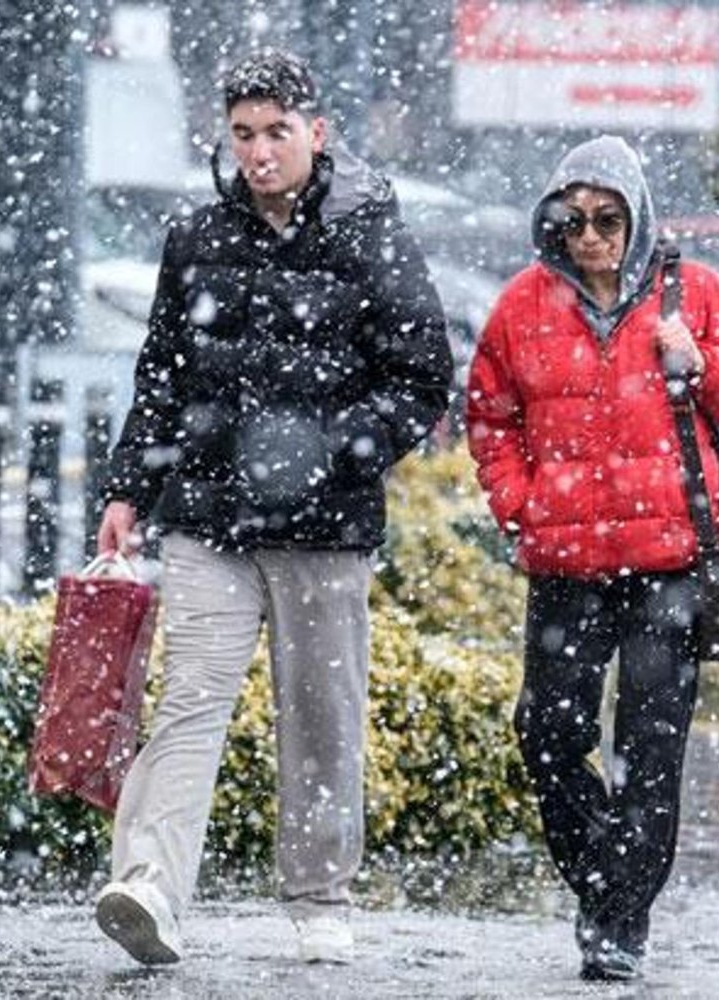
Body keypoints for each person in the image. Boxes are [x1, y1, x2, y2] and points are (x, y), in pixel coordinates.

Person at [92, 50, 451, 966]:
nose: (258, 152)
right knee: (188, 705)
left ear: (316, 133)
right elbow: (161, 374)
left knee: (321, 712)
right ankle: (149, 887)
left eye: (276, 133)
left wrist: (333, 450)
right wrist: (128, 487)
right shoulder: (196, 237)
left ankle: (320, 896)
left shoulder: (372, 234)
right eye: (243, 133)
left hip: (325, 530)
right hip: (209, 516)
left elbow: (421, 378)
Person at [465, 135, 719, 982]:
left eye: (608, 219)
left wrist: (700, 361)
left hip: (668, 561)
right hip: (564, 565)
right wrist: (518, 502)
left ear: (636, 219)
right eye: (573, 221)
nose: (592, 237)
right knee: (548, 733)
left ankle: (618, 920)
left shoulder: (696, 294)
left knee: (652, 744)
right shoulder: (522, 306)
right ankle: (606, 881)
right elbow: (489, 415)